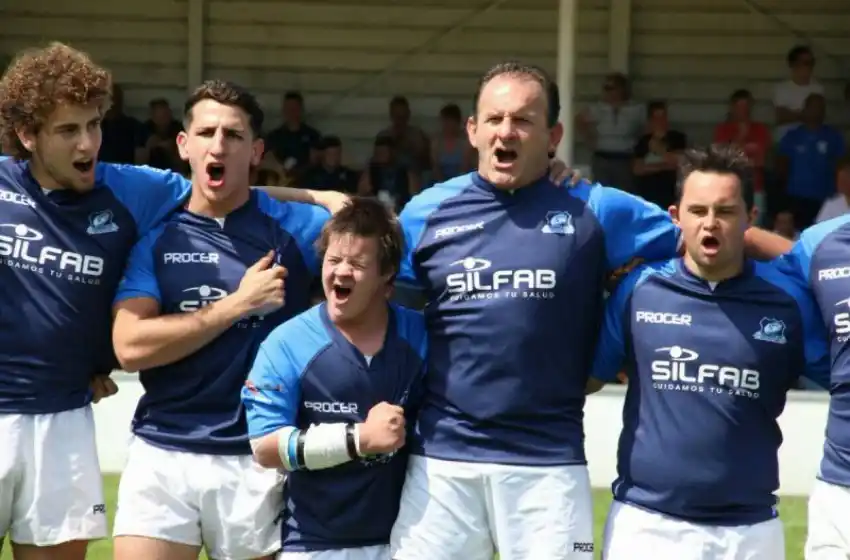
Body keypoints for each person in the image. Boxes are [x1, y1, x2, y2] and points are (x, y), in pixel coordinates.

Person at [388, 61, 792, 560]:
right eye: (493, 119)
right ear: (472, 130)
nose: (505, 133)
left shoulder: (596, 209)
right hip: (442, 459)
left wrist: (809, 263)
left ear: (553, 134)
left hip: (548, 466)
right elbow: (389, 314)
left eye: (523, 121)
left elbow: (711, 231)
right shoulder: (424, 213)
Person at [0, 42, 345, 560]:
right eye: (69, 130)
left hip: (63, 418)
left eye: (94, 125)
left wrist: (321, 199)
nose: (88, 142)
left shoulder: (132, 189)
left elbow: (218, 186)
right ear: (28, 136)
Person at [108, 79, 330, 560]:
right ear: (184, 145)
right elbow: (129, 346)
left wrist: (311, 196)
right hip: (163, 453)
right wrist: (238, 304)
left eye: (234, 135)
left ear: (256, 151)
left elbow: (366, 227)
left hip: (257, 456)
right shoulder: (158, 238)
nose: (219, 145)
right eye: (206, 132)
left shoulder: (295, 228)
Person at [589, 144, 829, 560]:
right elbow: (585, 378)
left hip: (750, 534)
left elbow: (840, 380)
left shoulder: (788, 301)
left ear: (750, 219)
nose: (710, 224)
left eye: (726, 211)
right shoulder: (638, 290)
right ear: (675, 216)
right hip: (645, 526)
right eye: (698, 211)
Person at [243, 196, 427, 559]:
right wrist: (359, 438)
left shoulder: (421, 337)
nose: (341, 272)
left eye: (357, 263)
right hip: (314, 545)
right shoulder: (287, 343)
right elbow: (265, 446)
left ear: (387, 274)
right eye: (333, 260)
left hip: (409, 541)